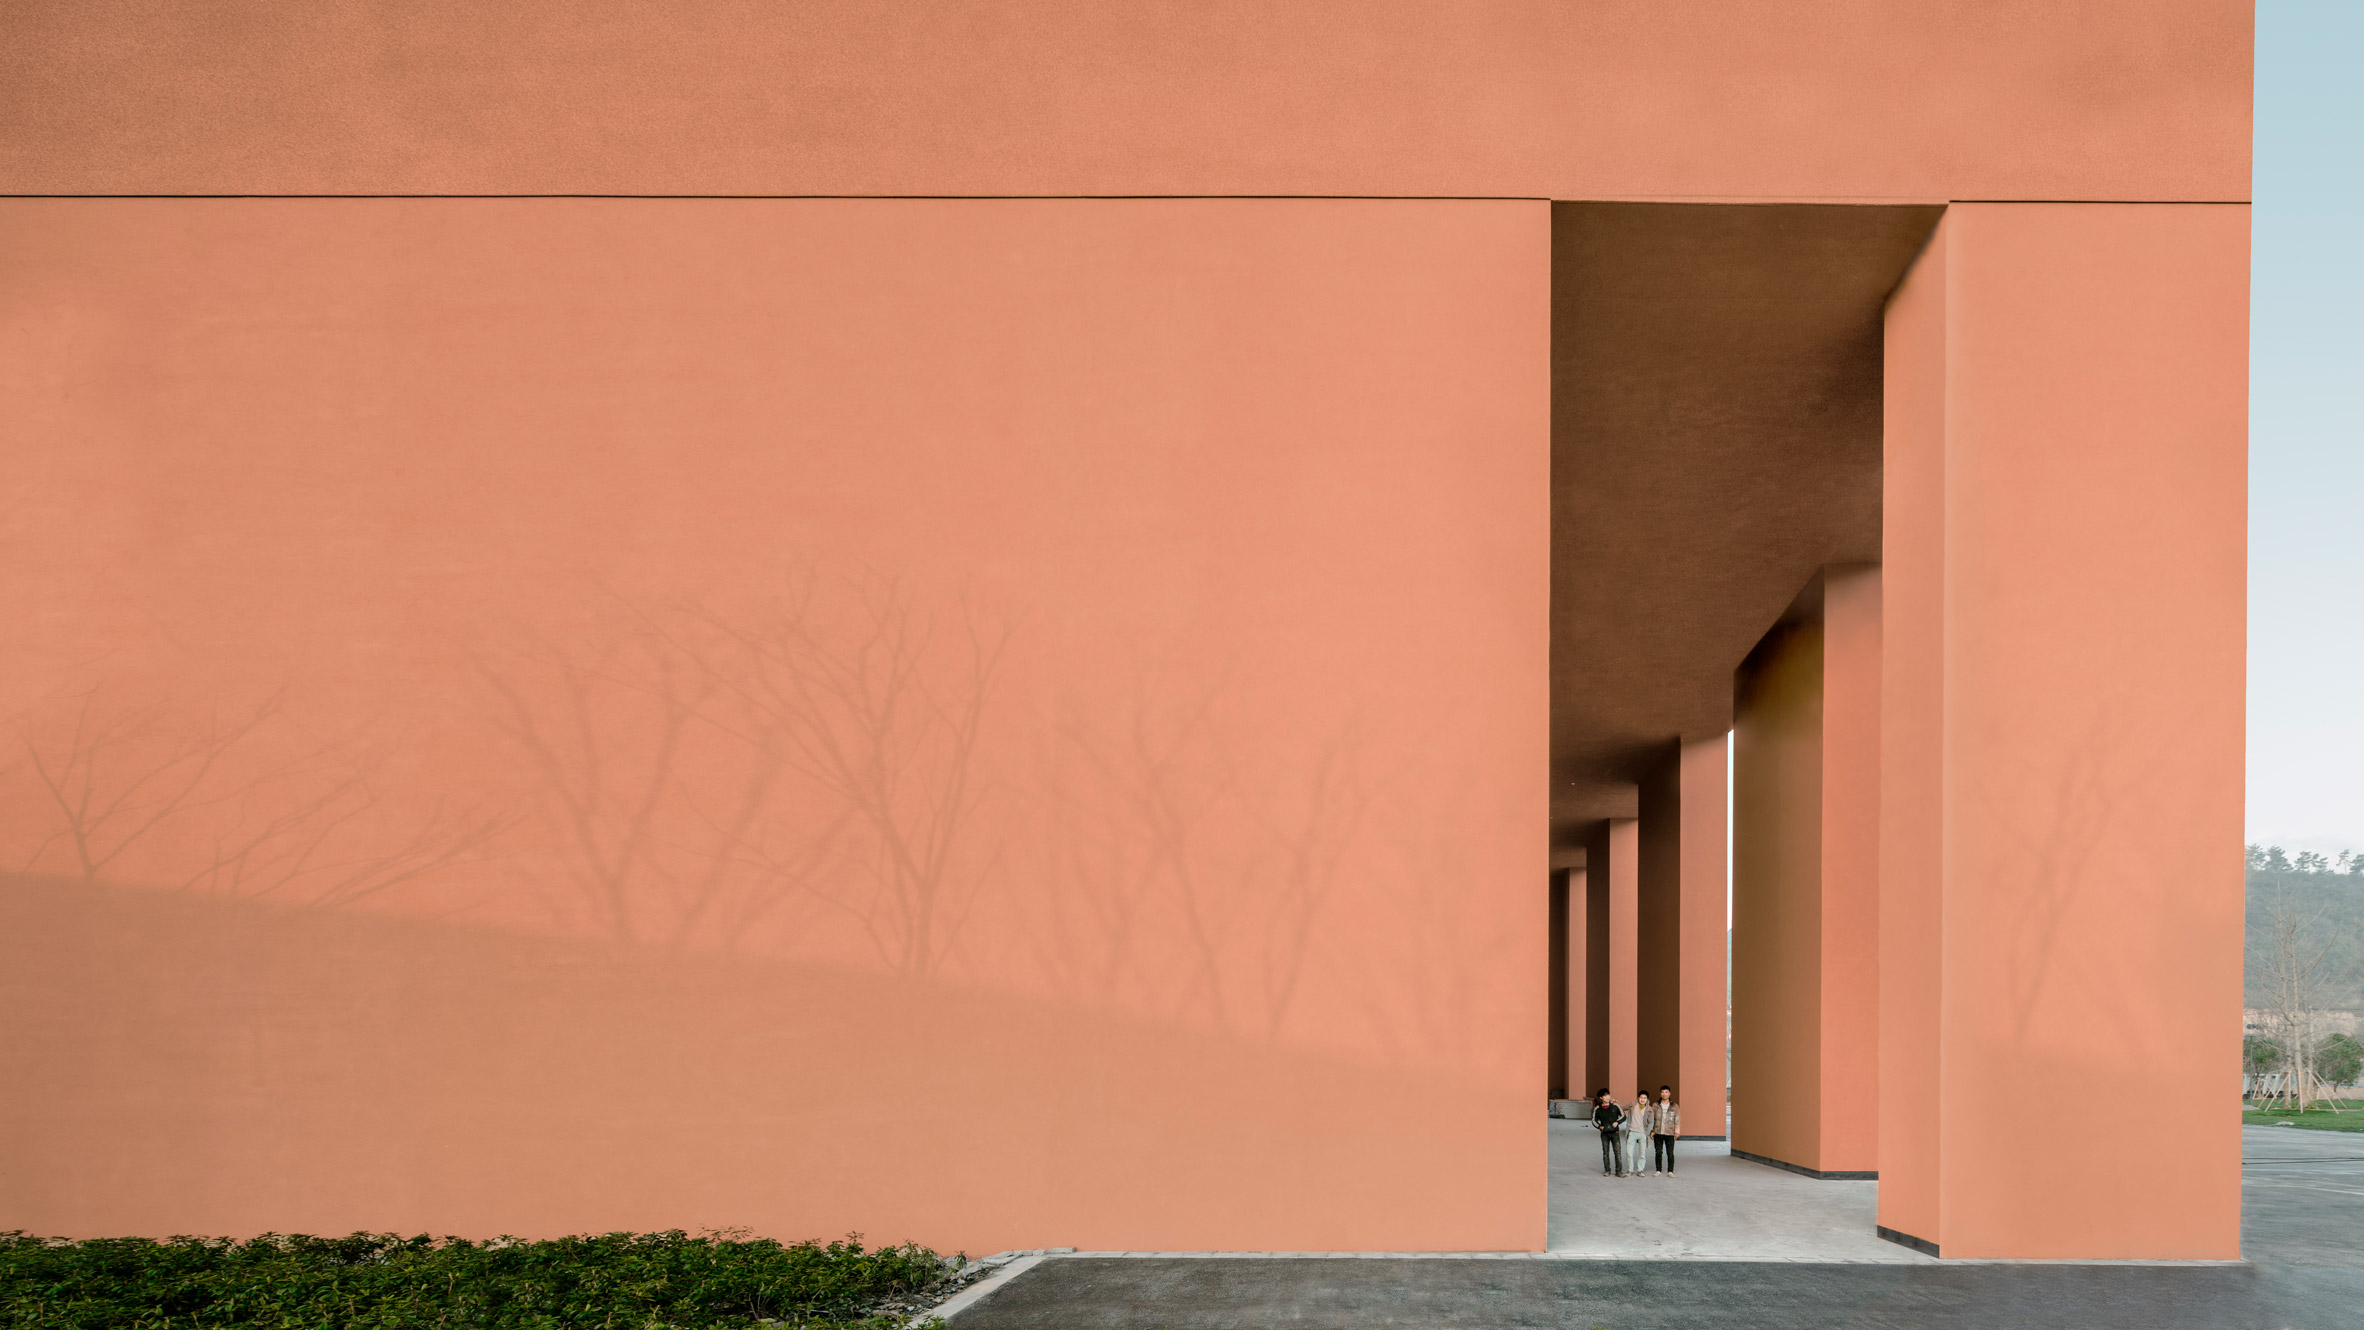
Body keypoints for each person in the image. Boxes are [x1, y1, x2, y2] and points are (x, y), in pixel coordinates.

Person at [1590, 1089, 1625, 1177]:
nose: (1608, 1097)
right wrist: (1599, 1126)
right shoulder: (1598, 1109)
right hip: (1604, 1133)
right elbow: (1593, 1120)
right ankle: (1607, 1170)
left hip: (1615, 1133)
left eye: (1608, 1095)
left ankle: (1619, 1171)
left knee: (1618, 1152)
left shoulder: (1615, 1106)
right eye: (1605, 1096)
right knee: (1606, 1152)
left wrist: (1617, 1122)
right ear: (1601, 1098)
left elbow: (1623, 1116)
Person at [1651, 1085, 1680, 1177]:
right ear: (1660, 1093)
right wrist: (1652, 1131)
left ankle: (1670, 1171)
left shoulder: (1675, 1106)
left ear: (1669, 1093)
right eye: (1663, 1092)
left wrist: (1677, 1132)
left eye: (1666, 1092)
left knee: (1670, 1152)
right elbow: (1652, 1119)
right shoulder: (1655, 1105)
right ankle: (1658, 1170)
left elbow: (1677, 1120)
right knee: (1658, 1152)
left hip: (1670, 1132)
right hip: (1658, 1132)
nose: (1664, 1094)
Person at [1626, 1092, 1653, 1177]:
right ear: (1638, 1098)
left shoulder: (1650, 1109)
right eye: (1641, 1097)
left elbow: (1651, 1122)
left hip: (1642, 1133)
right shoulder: (1632, 1105)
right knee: (1629, 1153)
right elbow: (1622, 1107)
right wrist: (1615, 1102)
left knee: (1642, 1153)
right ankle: (1630, 1170)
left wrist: (1646, 1133)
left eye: (1644, 1098)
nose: (1642, 1099)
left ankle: (1640, 1170)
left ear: (1647, 1099)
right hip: (1632, 1132)